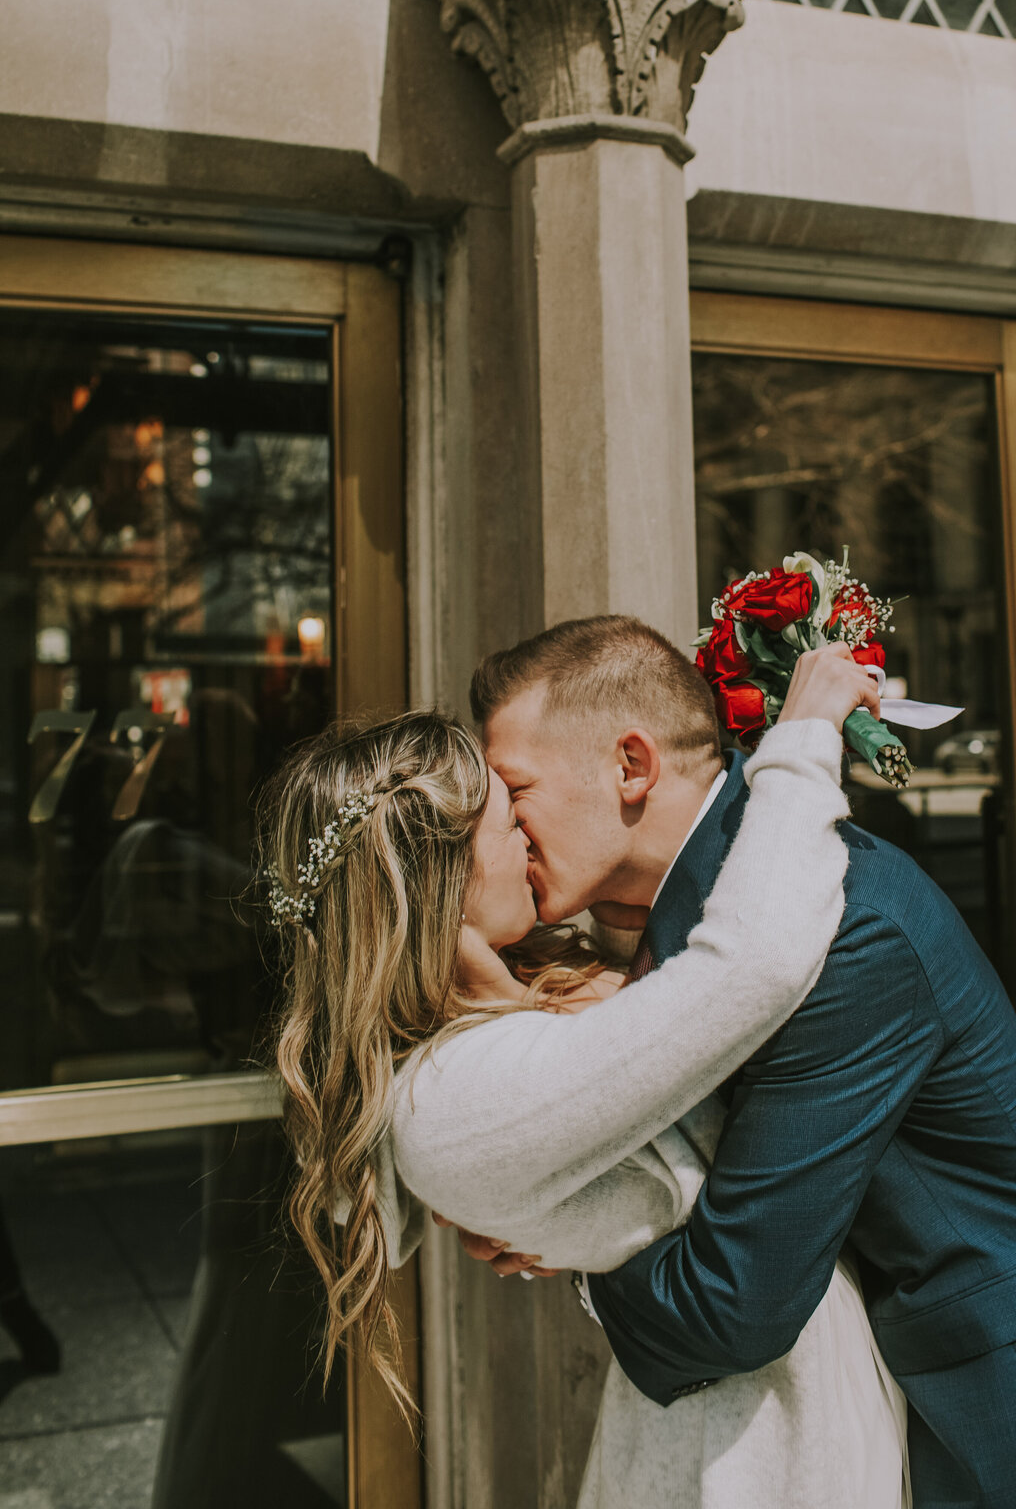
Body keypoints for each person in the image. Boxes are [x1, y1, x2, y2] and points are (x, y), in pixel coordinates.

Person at [463, 616, 1016, 1509]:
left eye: (514, 791)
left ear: (631, 765)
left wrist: (582, 1255)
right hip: (906, 1390)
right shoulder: (688, 922)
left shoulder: (843, 935)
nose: (500, 830)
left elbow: (739, 1301)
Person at [263, 636, 907, 1508]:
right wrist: (797, 745)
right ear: (438, 875)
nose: (528, 832)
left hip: (770, 1419)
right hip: (739, 1459)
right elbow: (746, 970)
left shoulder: (515, 1026)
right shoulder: (450, 1099)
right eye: (508, 814)